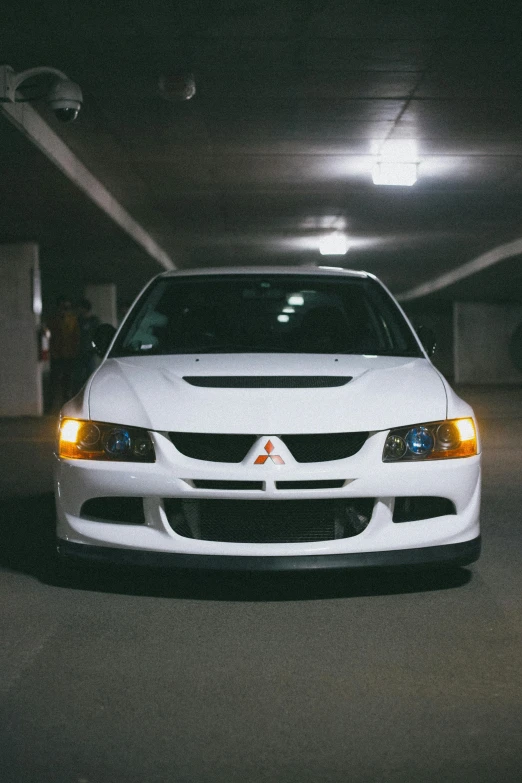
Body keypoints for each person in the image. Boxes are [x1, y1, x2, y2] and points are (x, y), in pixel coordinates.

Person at [48, 296, 80, 410]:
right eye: (63, 307)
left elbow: (75, 336)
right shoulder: (54, 320)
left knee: (68, 381)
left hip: (69, 355)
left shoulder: (72, 319)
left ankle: (66, 404)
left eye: (67, 307)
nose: (65, 309)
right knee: (55, 381)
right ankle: (52, 406)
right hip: (57, 355)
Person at [73, 298, 100, 393]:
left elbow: (97, 336)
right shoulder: (78, 320)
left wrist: (94, 349)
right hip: (79, 351)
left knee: (91, 375)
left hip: (90, 352)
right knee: (78, 377)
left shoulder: (94, 321)